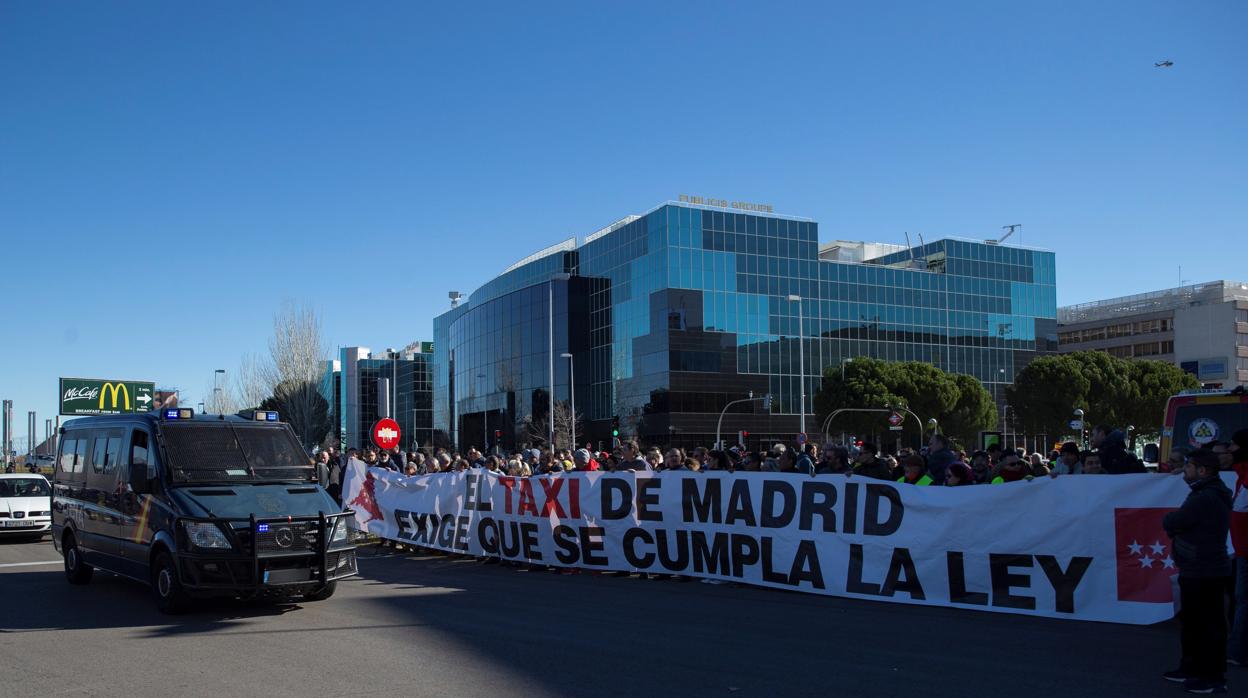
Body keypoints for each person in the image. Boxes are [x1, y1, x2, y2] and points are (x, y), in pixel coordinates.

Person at [1162, 449, 1231, 693]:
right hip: (1197, 567)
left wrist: (1172, 524)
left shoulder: (1206, 497)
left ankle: (1211, 676)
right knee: (1192, 622)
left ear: (1202, 470)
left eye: (1189, 466)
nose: (1185, 470)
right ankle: (1191, 667)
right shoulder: (1206, 493)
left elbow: (1174, 521)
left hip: (1204, 569)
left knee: (1207, 625)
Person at [1228, 429, 1248, 668]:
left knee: (1243, 599)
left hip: (1245, 551)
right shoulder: (1240, 475)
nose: (1229, 451)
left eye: (1233, 446)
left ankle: (1238, 650)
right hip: (1241, 549)